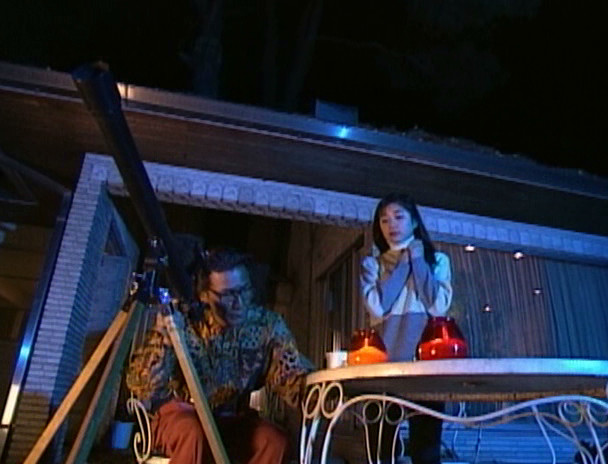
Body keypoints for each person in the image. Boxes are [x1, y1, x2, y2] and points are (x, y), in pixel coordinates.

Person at [127, 248, 313, 464]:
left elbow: (290, 378)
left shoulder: (266, 325)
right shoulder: (182, 321)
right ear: (205, 295)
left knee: (273, 441)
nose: (239, 303)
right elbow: (142, 386)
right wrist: (163, 339)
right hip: (181, 415)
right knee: (193, 434)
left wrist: (323, 386)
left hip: (231, 419)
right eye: (227, 295)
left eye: (244, 291)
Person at [360, 193, 453, 464]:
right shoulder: (372, 264)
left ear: (414, 222)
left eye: (399, 217)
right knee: (380, 452)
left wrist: (419, 261)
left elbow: (438, 307)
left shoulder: (438, 261)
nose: (391, 224)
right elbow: (378, 308)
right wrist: (402, 265)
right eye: (384, 220)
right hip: (382, 368)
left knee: (426, 452)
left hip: (427, 369)